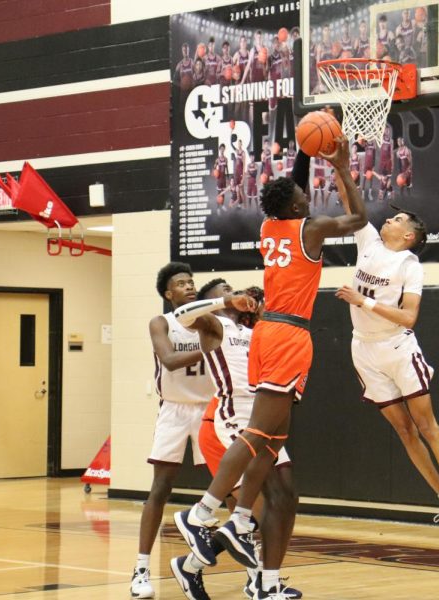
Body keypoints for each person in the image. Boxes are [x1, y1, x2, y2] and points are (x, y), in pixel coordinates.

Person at [175, 139, 368, 600]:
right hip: (287, 334)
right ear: (299, 205)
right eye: (305, 196)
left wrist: (305, 151)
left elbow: (292, 189)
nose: (310, 196)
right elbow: (359, 219)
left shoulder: (270, 228)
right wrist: (341, 167)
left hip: (272, 334)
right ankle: (201, 514)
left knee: (275, 438)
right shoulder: (311, 228)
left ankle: (241, 520)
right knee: (261, 433)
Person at [334, 204, 439, 543]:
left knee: (426, 426)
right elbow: (353, 203)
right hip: (364, 349)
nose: (388, 219)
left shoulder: (409, 266)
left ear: (408, 235)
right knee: (403, 430)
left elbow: (409, 317)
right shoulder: (369, 242)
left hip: (398, 349)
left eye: (397, 220)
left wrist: (362, 301)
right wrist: (340, 164)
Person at [170, 282, 301, 600]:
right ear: (216, 299)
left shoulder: (254, 330)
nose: (236, 291)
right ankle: (257, 580)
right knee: (259, 509)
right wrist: (226, 300)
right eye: (226, 289)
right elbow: (180, 315)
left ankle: (266, 582)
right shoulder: (215, 324)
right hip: (233, 416)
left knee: (286, 499)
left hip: (264, 413)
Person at [131, 263, 216, 599]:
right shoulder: (161, 322)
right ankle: (140, 568)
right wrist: (210, 348)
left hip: (210, 408)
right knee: (161, 486)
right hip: (175, 410)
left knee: (230, 485)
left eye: (191, 282)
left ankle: (256, 571)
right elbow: (167, 359)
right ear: (168, 294)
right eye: (181, 284)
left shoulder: (211, 323)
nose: (189, 287)